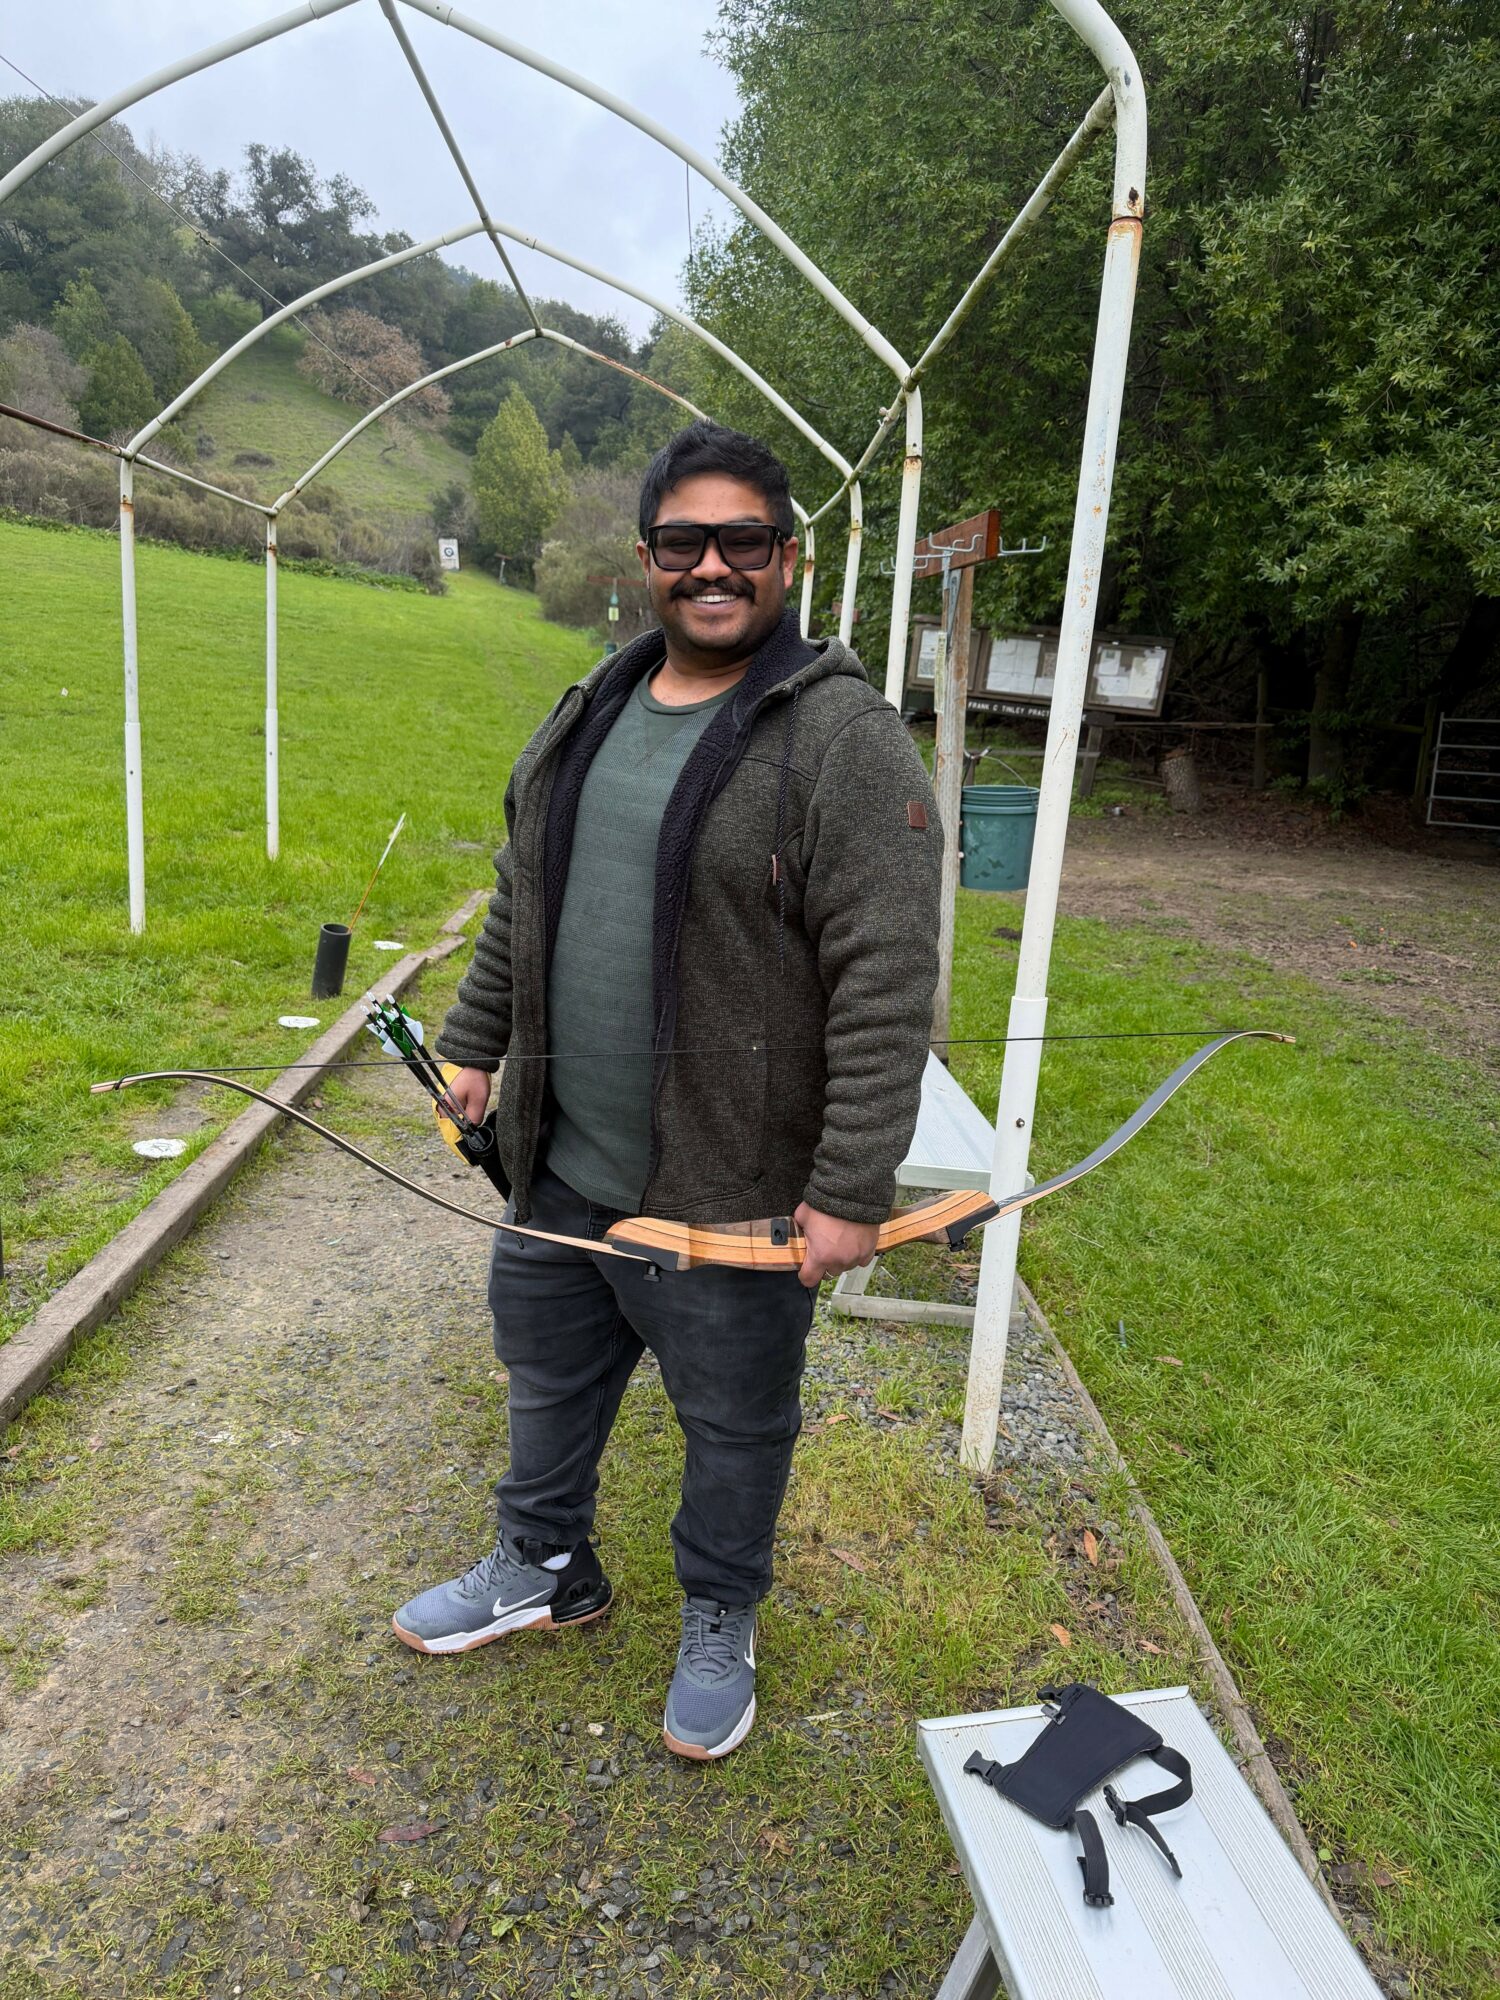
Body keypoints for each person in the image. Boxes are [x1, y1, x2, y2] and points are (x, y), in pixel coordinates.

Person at [394, 421, 941, 1759]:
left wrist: (851, 1186)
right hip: (563, 1162)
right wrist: (474, 1047)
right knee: (548, 1376)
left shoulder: (840, 738)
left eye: (741, 542)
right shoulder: (593, 704)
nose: (712, 566)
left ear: (785, 558)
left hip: (731, 1189)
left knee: (736, 1422)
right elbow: (526, 892)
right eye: (684, 543)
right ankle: (544, 1564)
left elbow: (888, 976)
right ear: (647, 561)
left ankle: (720, 1613)